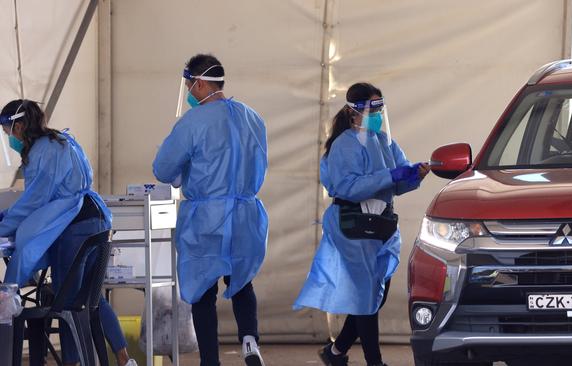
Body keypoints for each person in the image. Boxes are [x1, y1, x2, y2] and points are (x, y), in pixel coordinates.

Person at [293, 82, 431, 366]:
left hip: (381, 227)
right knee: (368, 296)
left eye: (381, 108)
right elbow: (349, 187)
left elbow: (396, 185)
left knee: (373, 297)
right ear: (354, 111)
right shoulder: (343, 145)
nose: (378, 114)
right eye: (373, 108)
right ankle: (374, 361)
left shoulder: (384, 141)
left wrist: (415, 175)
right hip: (354, 227)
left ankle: (335, 352)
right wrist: (390, 176)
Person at [0, 100, 136, 366]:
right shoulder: (61, 140)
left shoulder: (42, 150)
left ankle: (73, 362)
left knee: (66, 299)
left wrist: (5, 225)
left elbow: (34, 201)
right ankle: (124, 359)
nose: (9, 138)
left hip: (77, 225)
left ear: (18, 126)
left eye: (8, 131)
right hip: (96, 218)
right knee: (90, 297)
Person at [153, 54, 268, 366]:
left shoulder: (192, 122)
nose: (189, 90)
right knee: (241, 279)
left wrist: (184, 171)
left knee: (203, 290)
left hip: (207, 218)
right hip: (245, 215)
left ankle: (210, 361)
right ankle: (249, 340)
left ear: (199, 83)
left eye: (190, 84)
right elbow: (260, 165)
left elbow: (163, 169)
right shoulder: (252, 118)